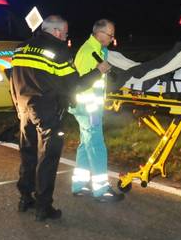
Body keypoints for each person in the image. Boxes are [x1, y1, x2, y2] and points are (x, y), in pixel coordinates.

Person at [10, 15, 106, 221]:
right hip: (46, 110)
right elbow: (74, 85)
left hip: (23, 107)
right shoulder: (59, 51)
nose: (66, 37)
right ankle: (43, 207)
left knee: (28, 154)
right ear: (56, 32)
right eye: (65, 33)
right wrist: (97, 72)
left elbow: (13, 78)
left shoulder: (20, 48)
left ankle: (25, 198)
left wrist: (18, 106)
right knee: (48, 157)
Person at [70, 19, 124, 202]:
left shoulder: (98, 50)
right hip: (88, 107)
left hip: (87, 106)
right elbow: (81, 83)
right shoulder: (88, 52)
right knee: (97, 146)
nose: (112, 38)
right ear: (99, 34)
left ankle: (79, 183)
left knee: (85, 145)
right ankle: (102, 190)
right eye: (110, 35)